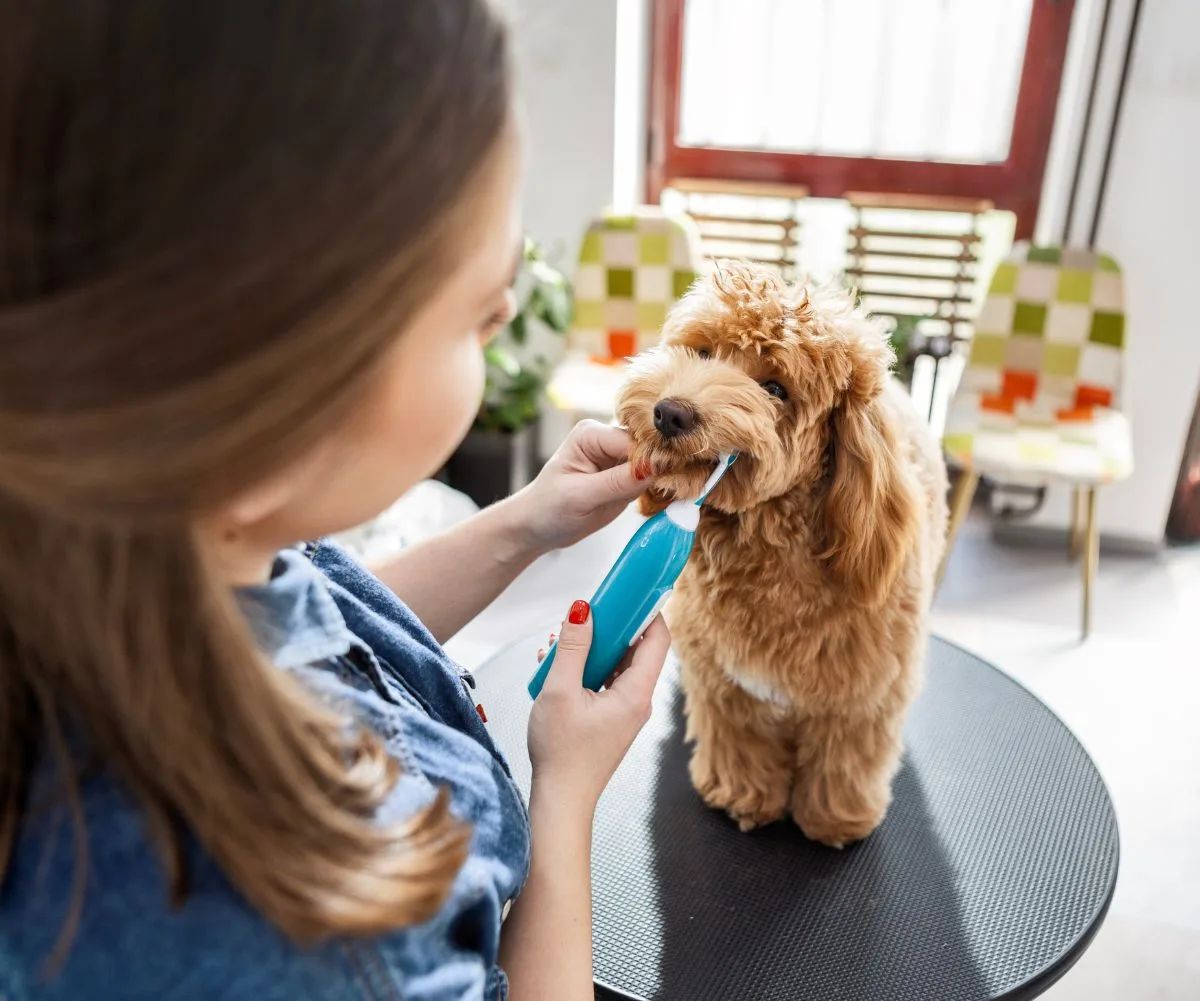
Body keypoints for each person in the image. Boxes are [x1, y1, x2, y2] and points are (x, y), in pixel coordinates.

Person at [0, 2, 671, 998]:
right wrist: (564, 798)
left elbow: (314, 627)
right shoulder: (313, 930)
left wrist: (527, 522)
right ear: (278, 397)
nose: (505, 323)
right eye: (482, 315)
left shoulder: (154, 535)